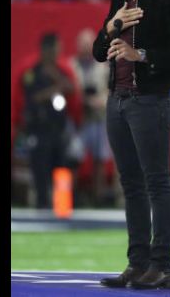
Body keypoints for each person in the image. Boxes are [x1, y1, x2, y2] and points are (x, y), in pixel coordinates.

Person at [94, 0, 170, 290]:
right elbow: (96, 50)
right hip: (117, 99)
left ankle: (163, 264)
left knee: (156, 181)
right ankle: (137, 263)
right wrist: (112, 26)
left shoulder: (168, 0)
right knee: (131, 184)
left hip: (148, 99)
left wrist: (142, 55)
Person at [18, 32, 82, 208]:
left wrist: (56, 78)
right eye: (54, 50)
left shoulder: (60, 71)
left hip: (59, 129)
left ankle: (62, 207)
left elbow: (71, 88)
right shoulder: (32, 72)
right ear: (45, 50)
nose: (56, 54)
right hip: (39, 129)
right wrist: (54, 90)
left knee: (62, 170)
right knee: (40, 170)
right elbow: (32, 97)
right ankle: (42, 207)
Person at [70, 28, 113, 206]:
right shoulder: (70, 66)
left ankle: (98, 197)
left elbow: (110, 91)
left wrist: (99, 101)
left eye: (88, 43)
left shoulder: (103, 67)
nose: (85, 47)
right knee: (73, 159)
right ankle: (71, 196)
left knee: (99, 160)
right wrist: (80, 100)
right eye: (83, 43)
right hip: (78, 120)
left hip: (97, 118)